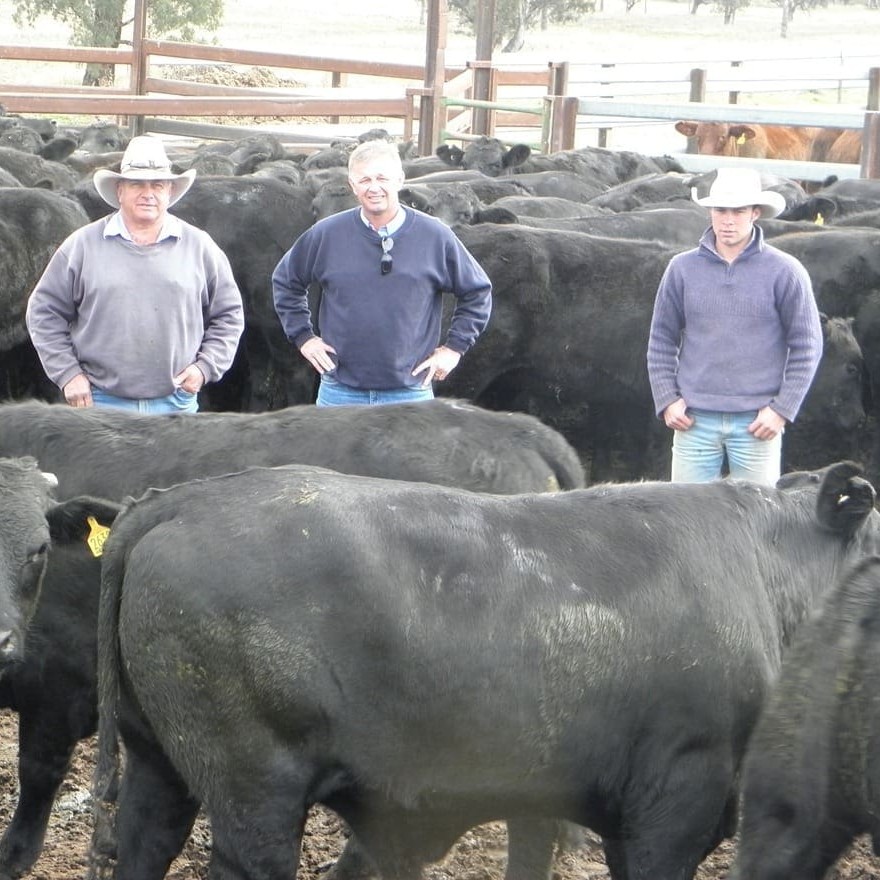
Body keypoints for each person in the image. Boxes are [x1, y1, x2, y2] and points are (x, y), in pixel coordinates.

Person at [26, 135, 244, 413]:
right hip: (101, 403)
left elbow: (229, 313)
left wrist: (206, 367)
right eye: (137, 184)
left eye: (158, 184)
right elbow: (43, 311)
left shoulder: (199, 247)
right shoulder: (82, 245)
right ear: (120, 190)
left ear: (169, 192)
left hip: (176, 402)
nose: (148, 193)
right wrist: (68, 373)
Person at [272, 139, 492, 406]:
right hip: (340, 391)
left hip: (410, 392)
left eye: (381, 178)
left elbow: (477, 291)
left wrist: (454, 348)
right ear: (352, 185)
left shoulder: (435, 236)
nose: (373, 188)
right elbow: (285, 281)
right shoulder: (326, 235)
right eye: (364, 180)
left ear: (399, 180)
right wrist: (304, 337)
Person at [646, 166, 823, 485]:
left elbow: (807, 346)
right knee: (687, 524)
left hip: (757, 422)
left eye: (738, 211)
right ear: (711, 212)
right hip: (694, 421)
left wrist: (782, 409)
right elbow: (661, 338)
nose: (728, 220)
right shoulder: (682, 269)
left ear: (755, 213)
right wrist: (667, 398)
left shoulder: (785, 271)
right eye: (720, 210)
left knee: (757, 525)